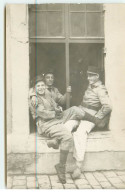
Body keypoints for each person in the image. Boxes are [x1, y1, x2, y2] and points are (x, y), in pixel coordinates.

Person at [29, 75, 86, 184]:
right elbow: (43, 114)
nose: (41, 88)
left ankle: (93, 120)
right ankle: (61, 166)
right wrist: (56, 113)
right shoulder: (34, 99)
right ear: (34, 88)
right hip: (47, 124)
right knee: (68, 137)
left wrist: (58, 108)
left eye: (42, 85)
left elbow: (54, 104)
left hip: (56, 118)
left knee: (75, 110)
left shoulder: (47, 93)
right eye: (38, 86)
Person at [69, 66, 112, 179]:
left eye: (90, 75)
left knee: (79, 133)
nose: (88, 78)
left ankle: (78, 166)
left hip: (91, 116)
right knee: (67, 125)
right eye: (88, 75)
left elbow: (108, 106)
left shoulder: (100, 88)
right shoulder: (91, 85)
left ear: (97, 76)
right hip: (81, 111)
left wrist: (97, 117)